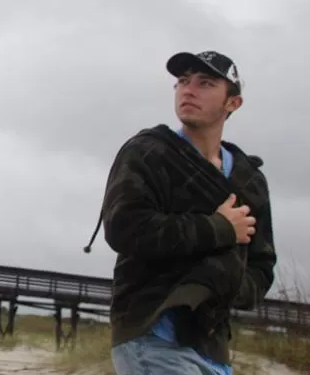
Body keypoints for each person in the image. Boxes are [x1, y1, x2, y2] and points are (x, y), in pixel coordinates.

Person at [86, 50, 276, 374]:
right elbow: (124, 226)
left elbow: (262, 263)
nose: (188, 90)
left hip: (212, 345)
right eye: (182, 82)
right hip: (151, 333)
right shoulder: (149, 151)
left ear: (233, 103)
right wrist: (218, 228)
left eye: (205, 83)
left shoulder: (249, 179)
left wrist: (224, 285)